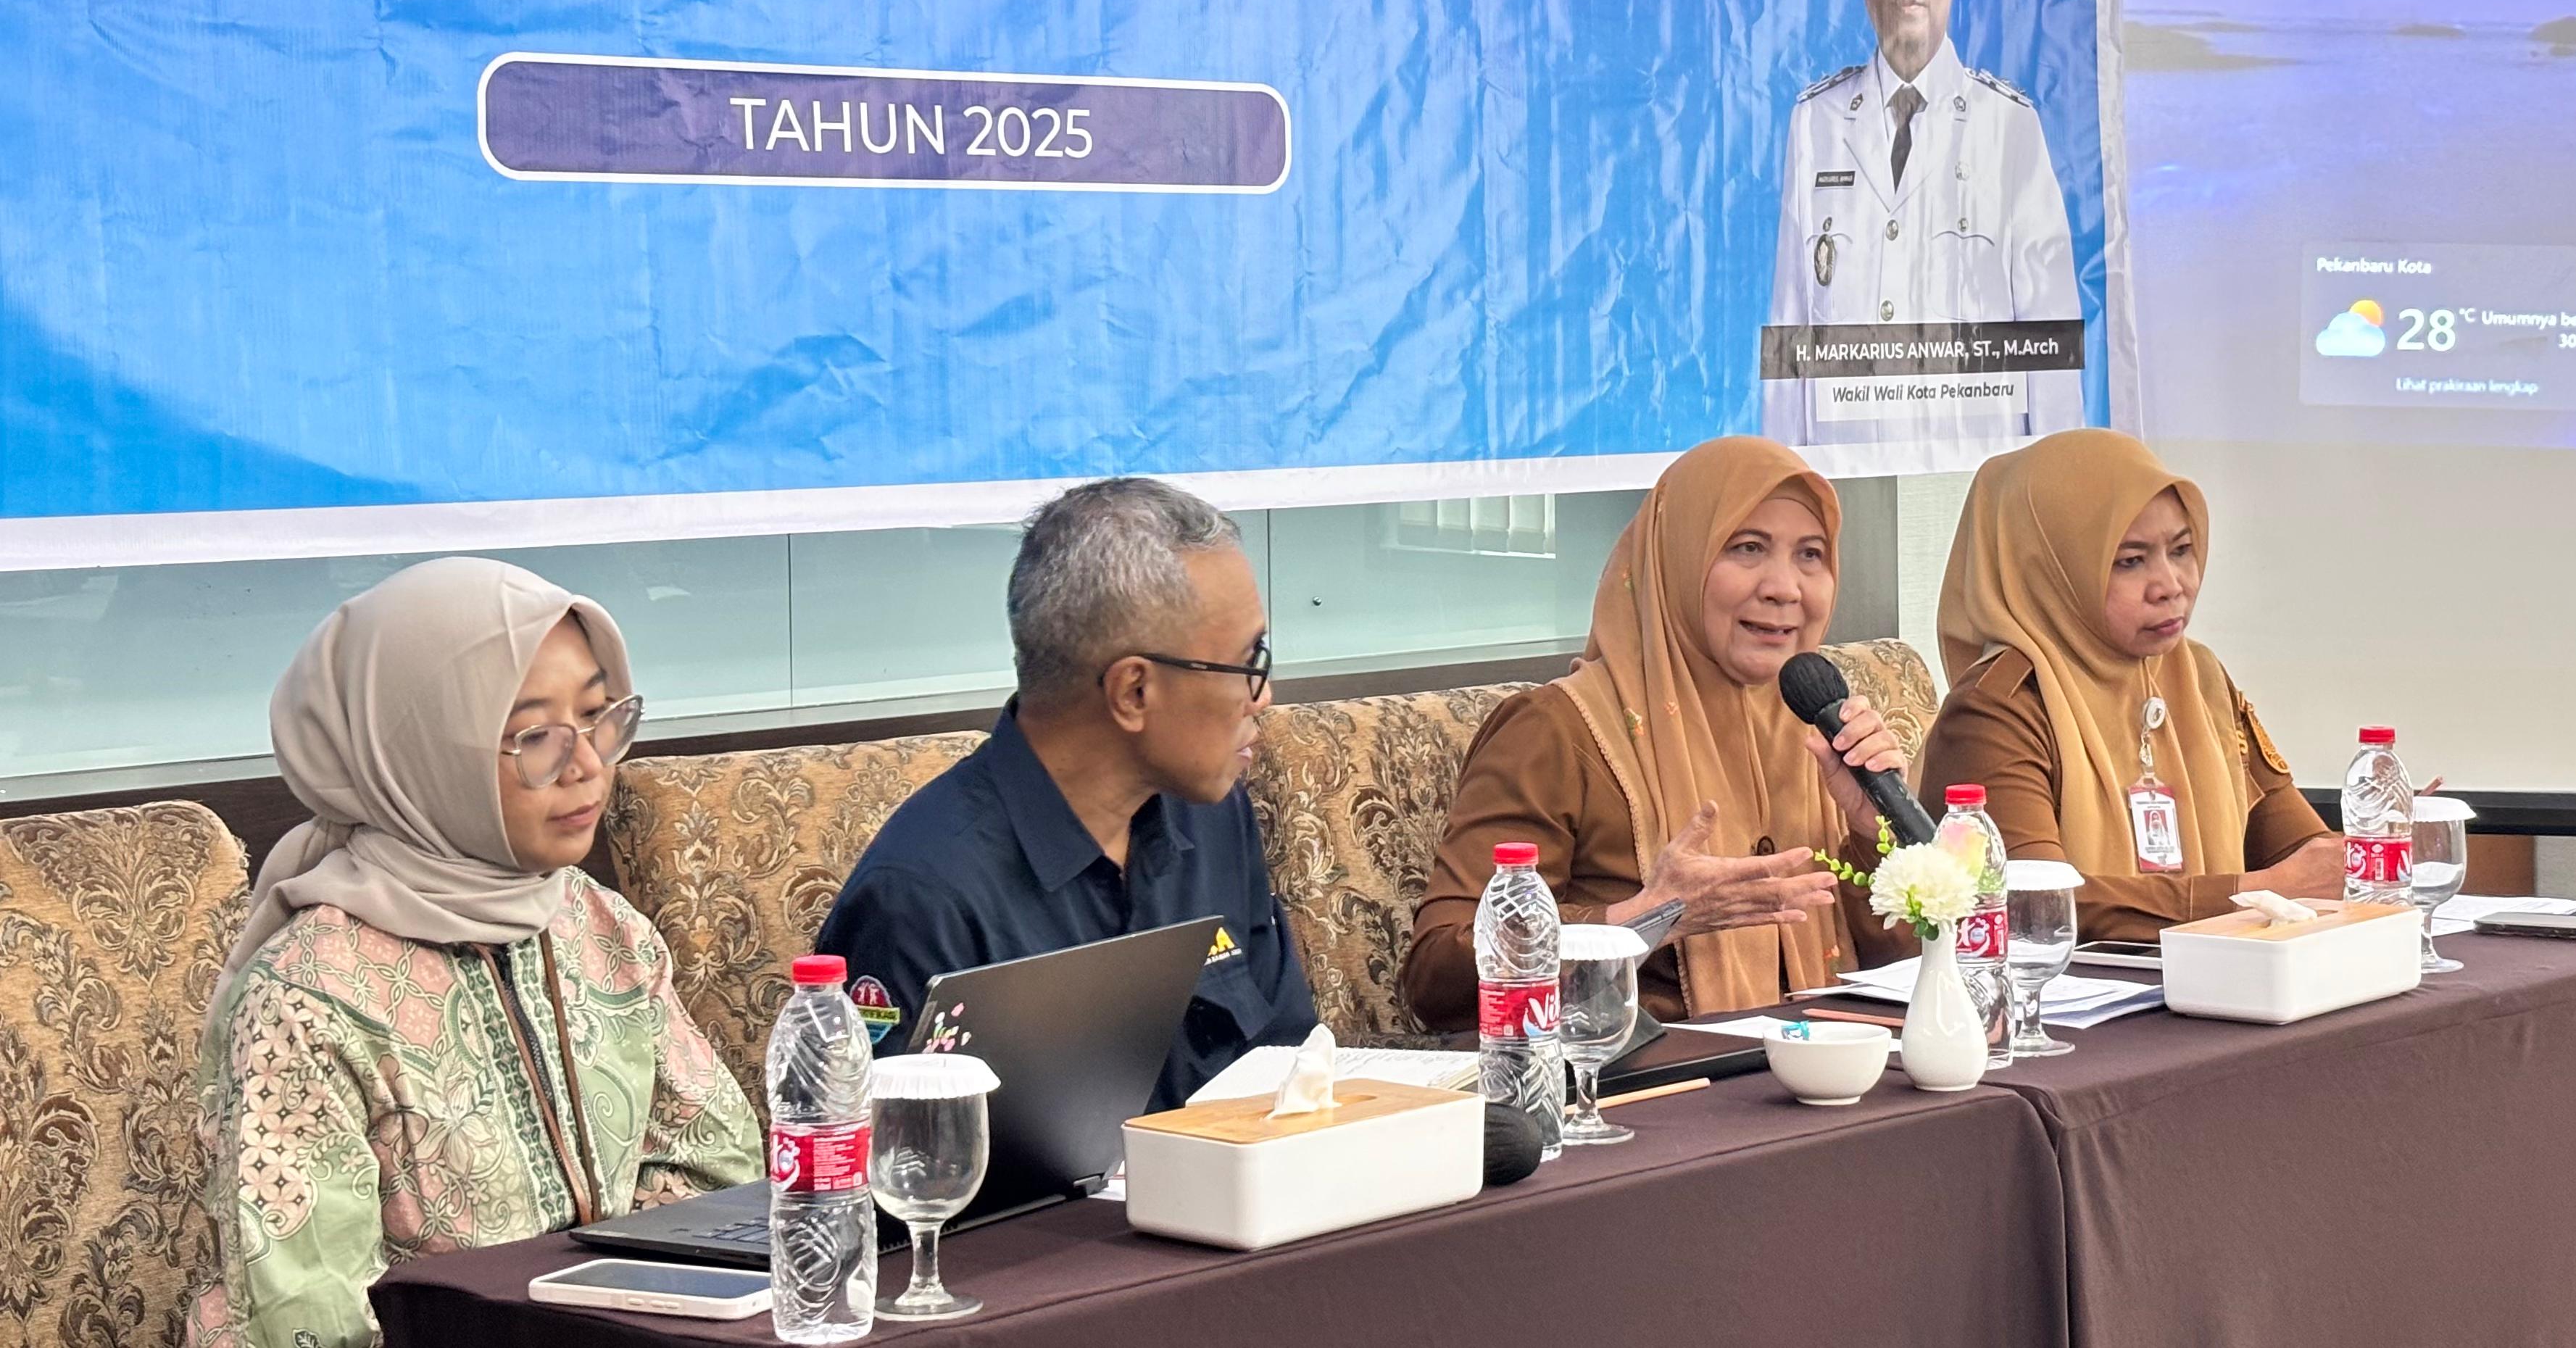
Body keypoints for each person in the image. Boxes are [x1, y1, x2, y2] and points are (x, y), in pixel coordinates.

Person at [189, 559, 761, 1348]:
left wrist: (617, 1308)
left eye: (599, 716)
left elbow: (719, 1168)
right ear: (418, 756)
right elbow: (310, 1319)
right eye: (534, 737)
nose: (588, 763)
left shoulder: (601, 928)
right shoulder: (310, 997)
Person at [817, 478, 1315, 1111]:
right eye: (1249, 662)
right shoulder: (924, 895)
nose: (1262, 695)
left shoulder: (1213, 815)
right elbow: (891, 1179)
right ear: (1134, 692)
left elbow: (1287, 1070)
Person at [1401, 437, 1916, 1028]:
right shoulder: (1557, 732)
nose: (1784, 587)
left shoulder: (1822, 729)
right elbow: (1435, 978)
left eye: (1810, 555)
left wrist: (1873, 835)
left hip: (1827, 1068)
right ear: (1678, 561)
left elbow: (1899, 970)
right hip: (1639, 1090)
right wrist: (1643, 919)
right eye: (1747, 548)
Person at [1911, 430, 2340, 941]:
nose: (2171, 585)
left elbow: (2298, 851)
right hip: (2064, 1007)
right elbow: (2030, 903)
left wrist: (2355, 851)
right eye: (2131, 561)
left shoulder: (2198, 677)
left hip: (2216, 986)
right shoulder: (1998, 705)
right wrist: (2252, 894)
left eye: (2181, 550)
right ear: (2051, 567)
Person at [1764, 0, 2082, 451]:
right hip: (1847, 512)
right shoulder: (1815, 126)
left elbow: (2050, 362)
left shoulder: (2010, 131)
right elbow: (1790, 349)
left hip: (1972, 507)